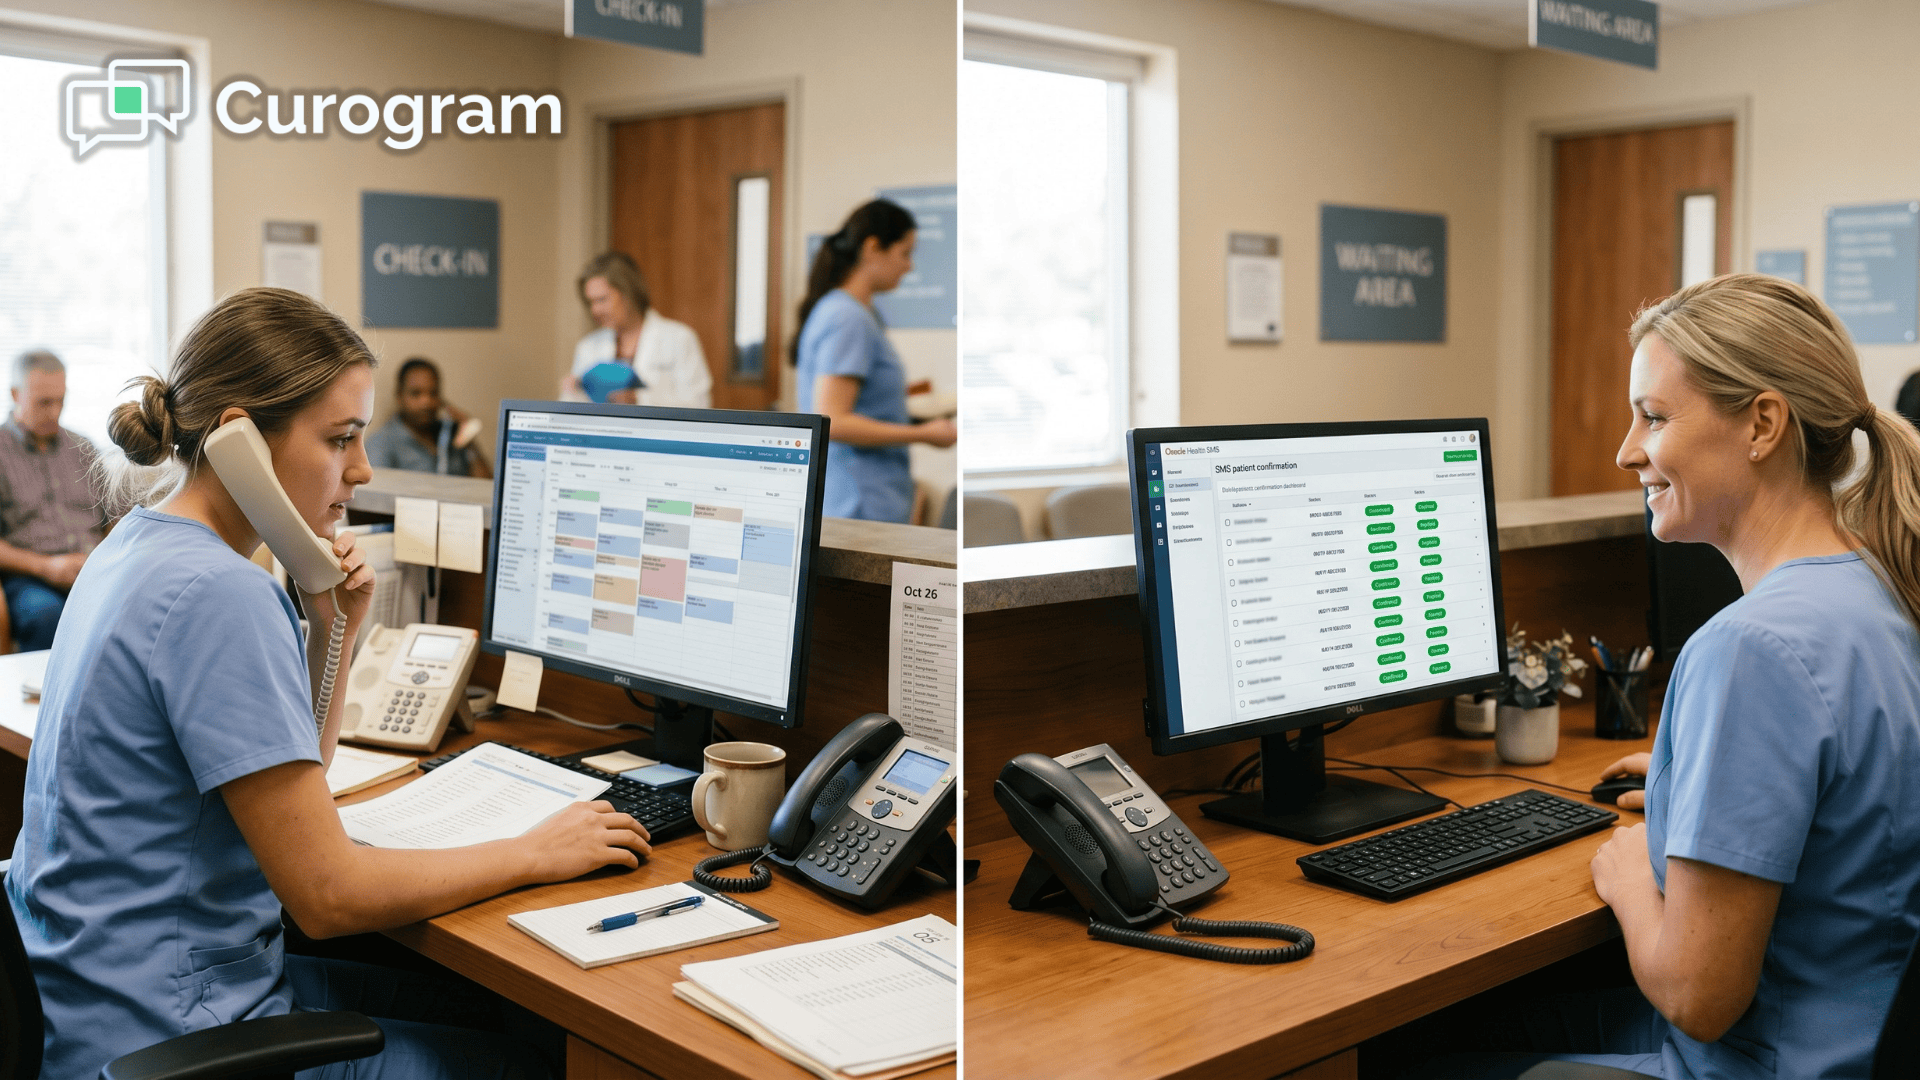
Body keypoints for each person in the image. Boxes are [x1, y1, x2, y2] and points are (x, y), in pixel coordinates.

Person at [5, 288, 650, 1079]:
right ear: (239, 437)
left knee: (487, 1008)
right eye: (341, 438)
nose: (364, 468)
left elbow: (291, 771)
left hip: (100, 995)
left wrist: (328, 622)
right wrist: (534, 851)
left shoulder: (139, 544)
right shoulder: (219, 594)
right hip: (169, 1032)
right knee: (529, 1061)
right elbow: (326, 894)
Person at [1401, 273, 1920, 1079]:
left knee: (1404, 1059)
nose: (1626, 449)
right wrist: (1695, 782)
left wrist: (1626, 877)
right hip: (1859, 1036)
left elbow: (1697, 995)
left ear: (1763, 424)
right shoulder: (1884, 589)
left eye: (1654, 415)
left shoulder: (1751, 649)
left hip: (1765, 1060)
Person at [792, 199, 957, 522]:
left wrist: (919, 420)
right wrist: (924, 434)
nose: (910, 266)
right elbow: (834, 420)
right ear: (873, 248)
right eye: (905, 253)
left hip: (863, 497)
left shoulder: (854, 313)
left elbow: (859, 409)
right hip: (856, 501)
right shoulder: (846, 317)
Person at [0, 349, 110, 651]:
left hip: (90, 570)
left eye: (60, 401)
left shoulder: (83, 448)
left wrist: (103, 561)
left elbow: (114, 519)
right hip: (31, 578)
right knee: (47, 615)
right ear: (14, 394)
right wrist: (47, 567)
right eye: (43, 403)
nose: (54, 412)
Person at [562, 251, 712, 408]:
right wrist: (574, 391)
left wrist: (639, 399)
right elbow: (571, 410)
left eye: (602, 300)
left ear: (628, 293)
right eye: (591, 302)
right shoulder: (588, 346)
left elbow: (700, 404)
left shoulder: (679, 338)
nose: (595, 310)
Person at [365, 356, 493, 478]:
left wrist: (469, 439)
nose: (426, 402)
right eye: (416, 393)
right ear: (399, 397)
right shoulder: (381, 443)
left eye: (433, 393)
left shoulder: (451, 434)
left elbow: (485, 487)